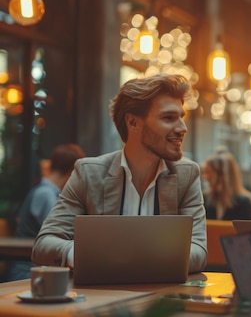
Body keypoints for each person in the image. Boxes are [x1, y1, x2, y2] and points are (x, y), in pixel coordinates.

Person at [32, 74, 207, 273]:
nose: (182, 128)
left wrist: (128, 257)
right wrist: (84, 254)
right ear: (133, 123)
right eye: (168, 118)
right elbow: (43, 245)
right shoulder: (89, 174)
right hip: (100, 299)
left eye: (181, 118)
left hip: (162, 300)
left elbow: (198, 251)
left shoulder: (186, 175)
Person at [7, 144, 85, 280]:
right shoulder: (45, 194)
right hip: (28, 271)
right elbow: (61, 231)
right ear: (72, 172)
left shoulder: (43, 191)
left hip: (35, 268)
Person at [203, 147, 251, 220]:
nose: (206, 177)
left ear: (222, 175)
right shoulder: (204, 200)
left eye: (209, 173)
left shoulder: (244, 203)